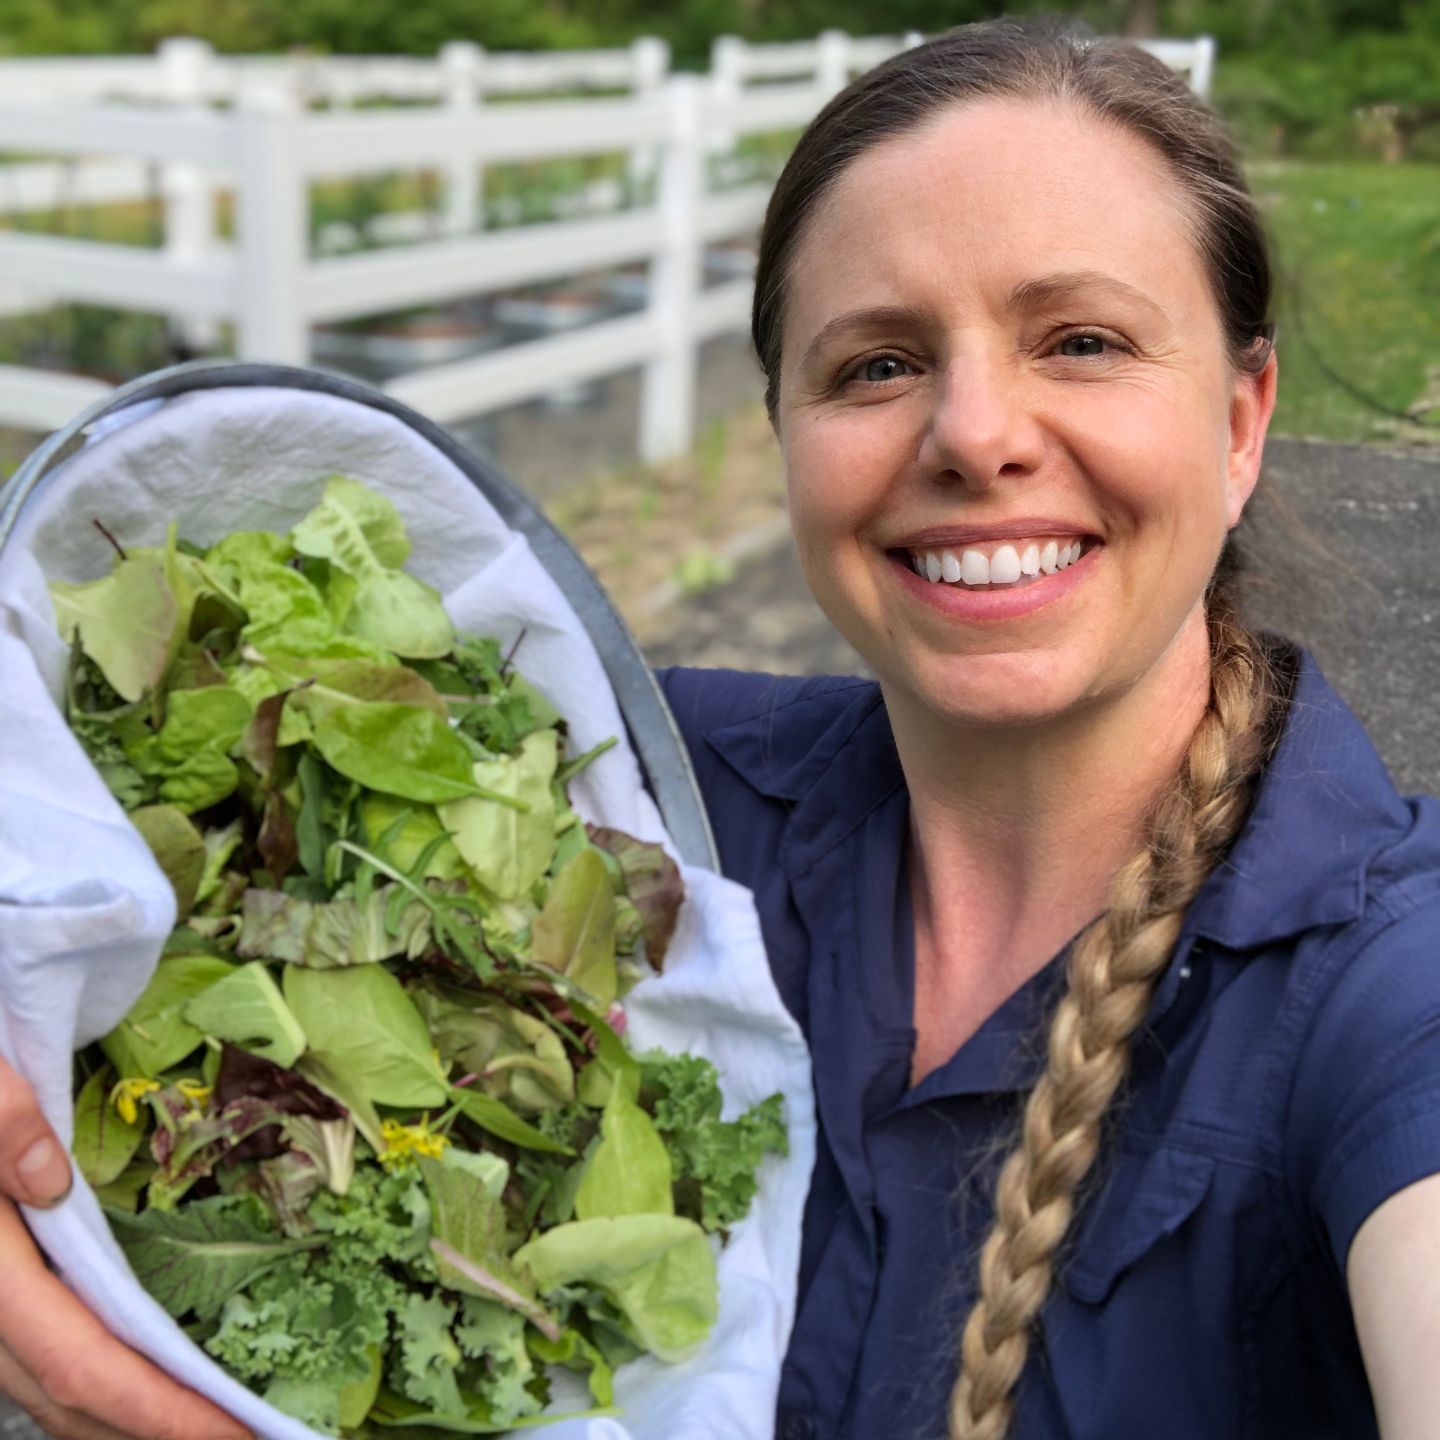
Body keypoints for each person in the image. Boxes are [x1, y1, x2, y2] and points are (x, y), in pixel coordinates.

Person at [2, 16, 1439, 1440]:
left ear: (1243, 422)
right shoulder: (631, 791)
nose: (976, 433)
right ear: (785, 437)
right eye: (875, 365)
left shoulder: (1383, 988)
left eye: (1081, 341)